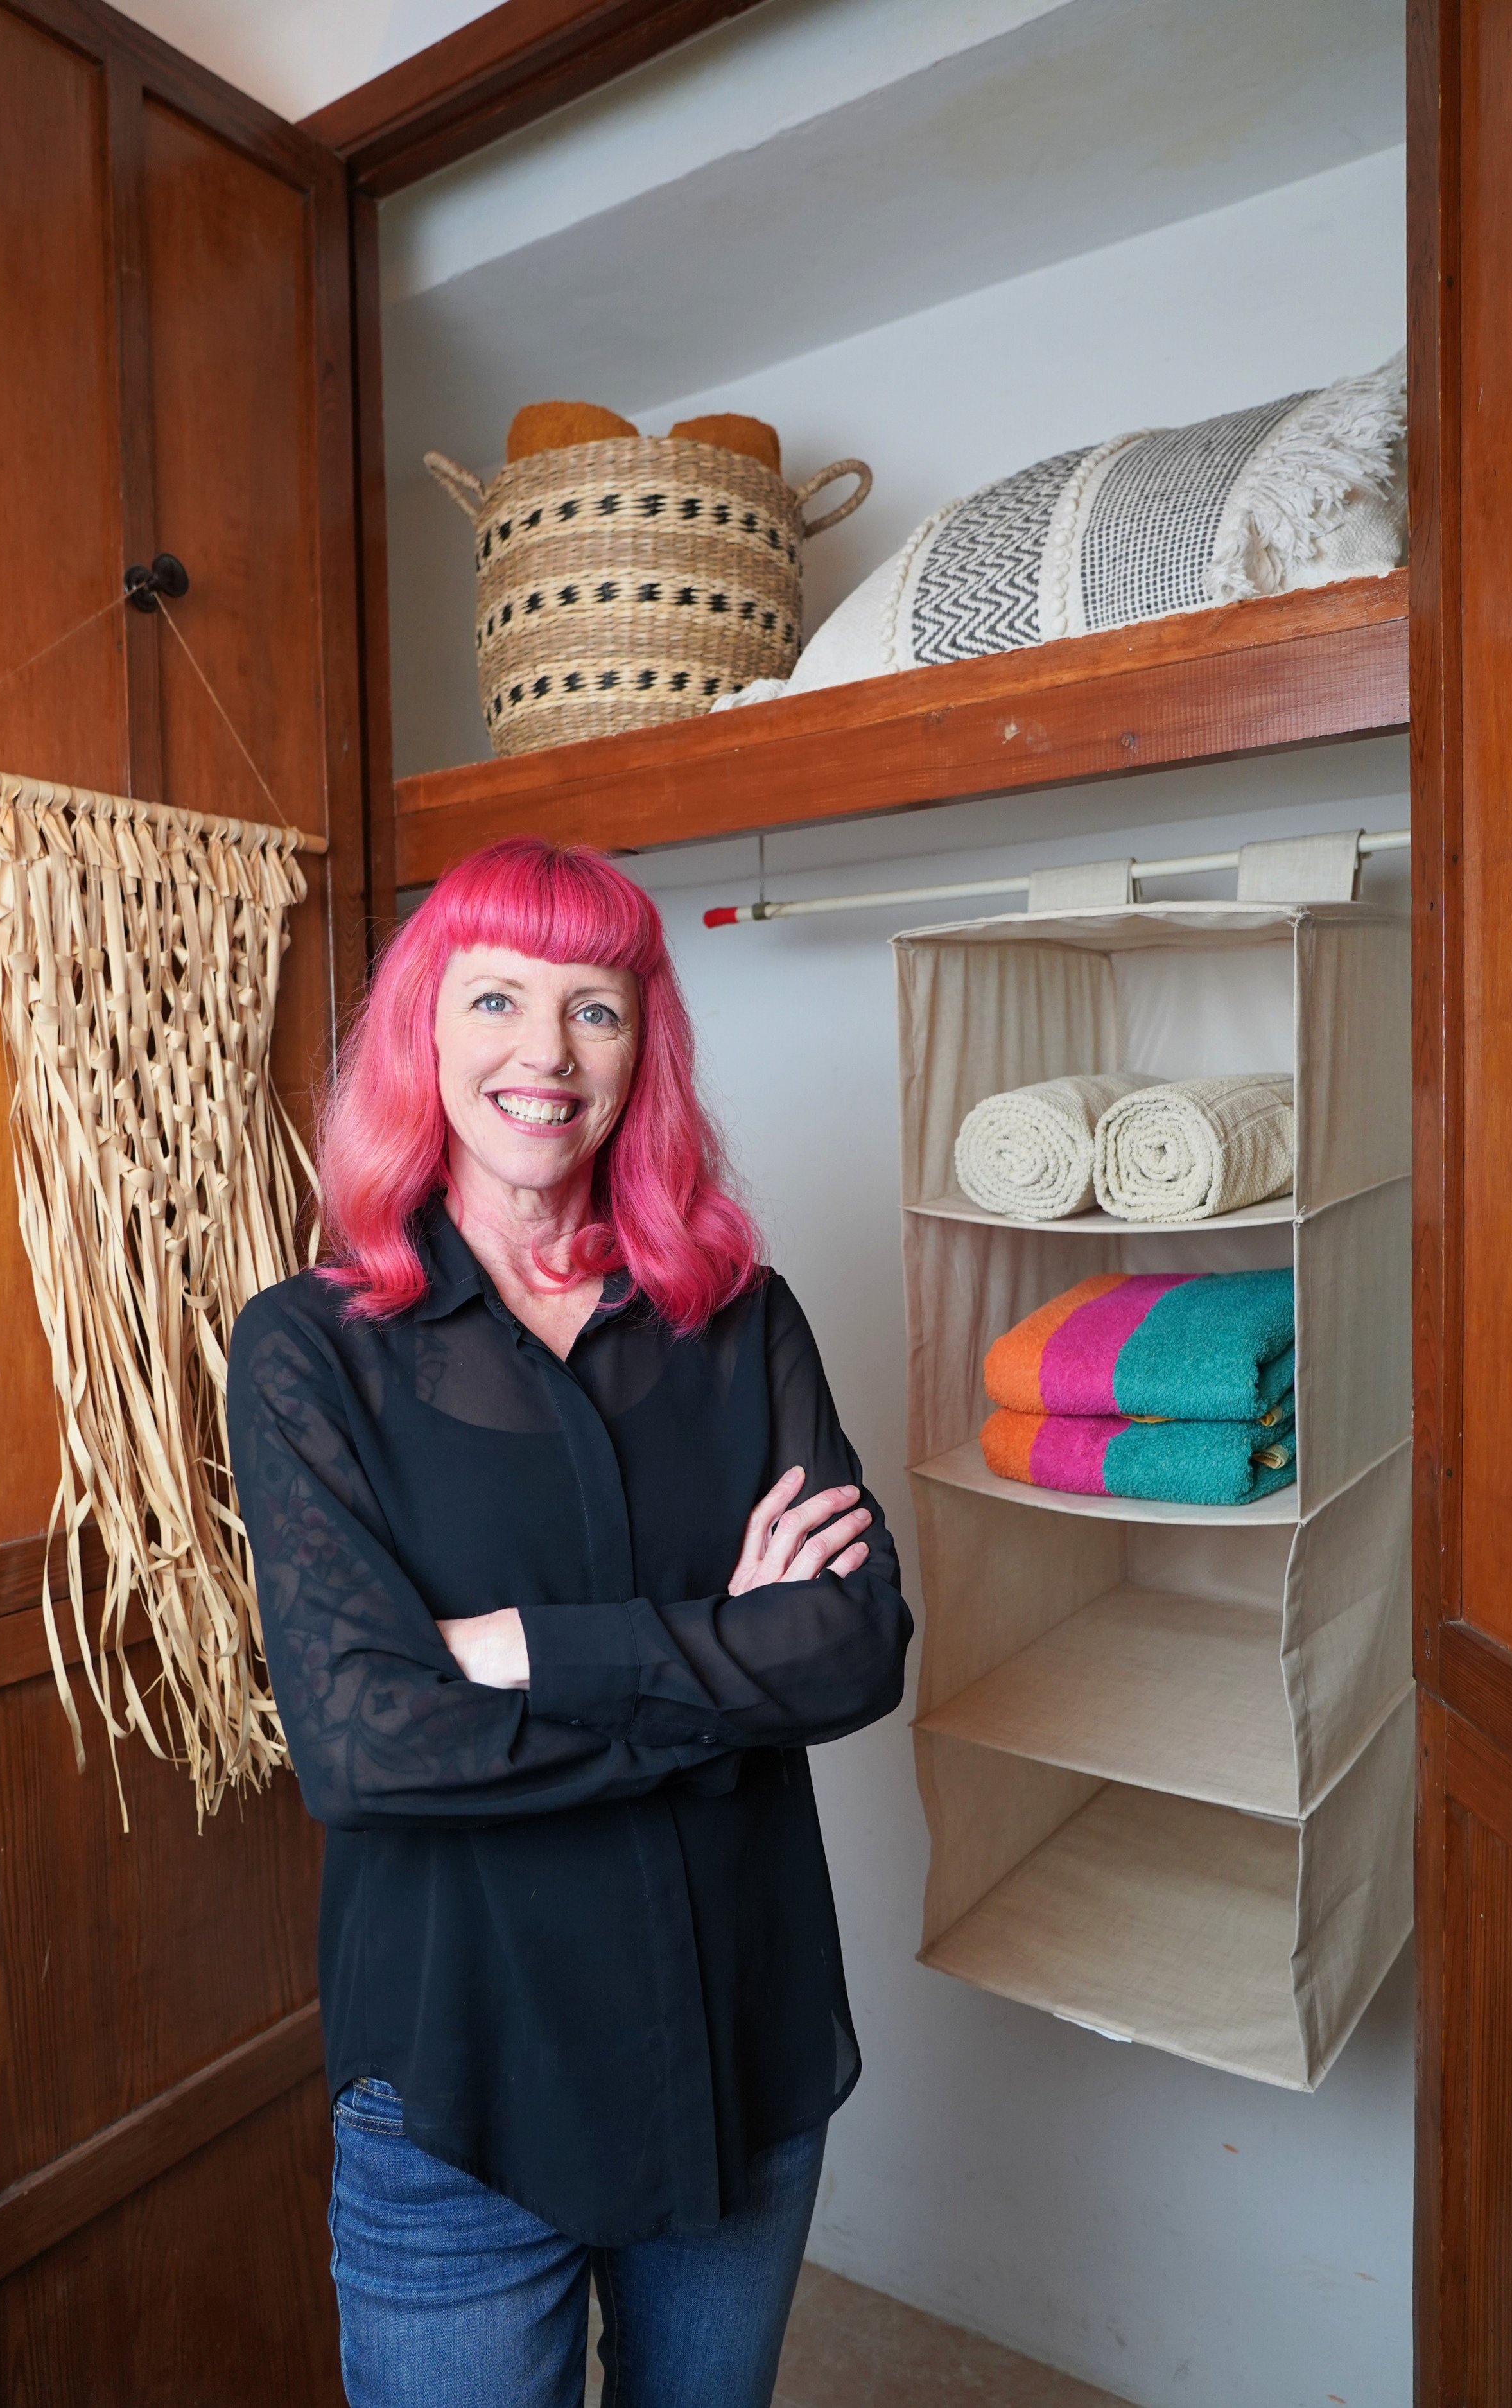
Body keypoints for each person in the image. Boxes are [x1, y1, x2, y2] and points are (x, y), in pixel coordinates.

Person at [227, 837, 912, 2408]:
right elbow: (361, 1746)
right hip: (466, 2092)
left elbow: (857, 1646)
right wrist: (716, 1671)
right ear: (423, 1035)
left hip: (736, 2057)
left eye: (592, 1009)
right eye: (495, 999)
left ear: (638, 1051)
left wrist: (520, 1650)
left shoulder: (743, 1323)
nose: (542, 1053)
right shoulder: (308, 1352)